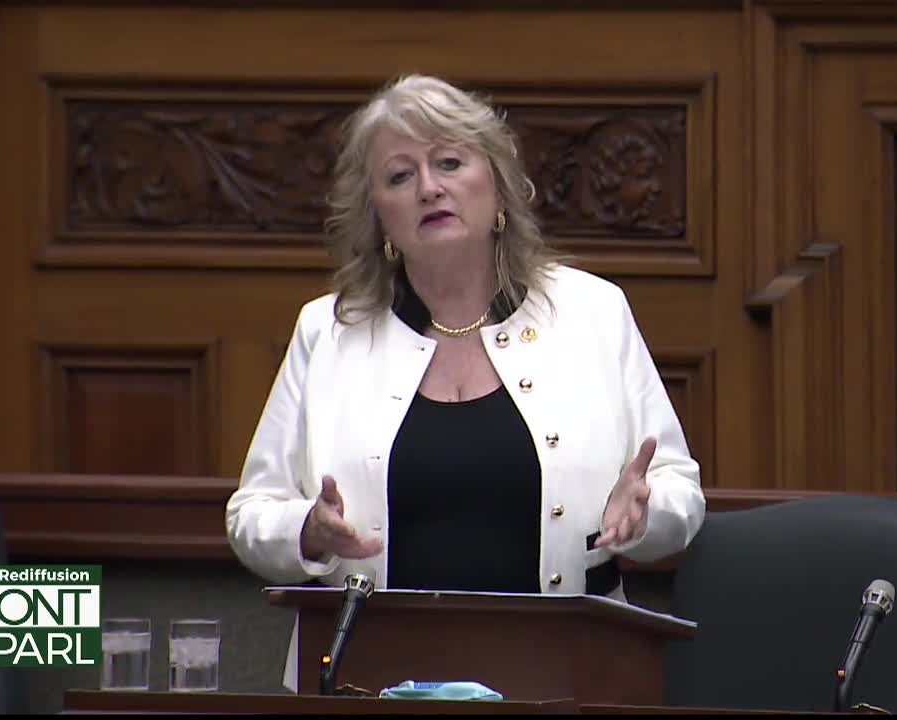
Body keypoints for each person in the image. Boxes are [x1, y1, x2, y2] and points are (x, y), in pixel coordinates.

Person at [225, 74, 706, 691]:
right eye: (399, 176)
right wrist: (306, 533)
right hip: (370, 679)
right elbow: (251, 515)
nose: (429, 187)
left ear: (498, 187)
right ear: (378, 219)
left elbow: (678, 493)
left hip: (566, 677)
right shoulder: (329, 331)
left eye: (450, 162)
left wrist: (644, 518)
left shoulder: (592, 313)